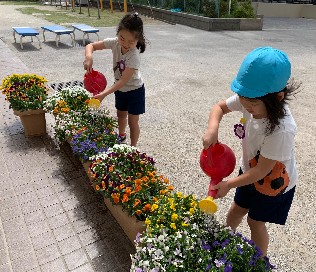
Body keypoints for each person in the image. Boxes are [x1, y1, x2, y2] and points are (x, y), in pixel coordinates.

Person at [202, 47, 300, 256]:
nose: (245, 104)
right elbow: (219, 107)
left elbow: (261, 172)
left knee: (255, 221)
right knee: (236, 210)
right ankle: (223, 240)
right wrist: (213, 129)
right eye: (242, 97)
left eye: (252, 102)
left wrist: (228, 184)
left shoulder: (281, 130)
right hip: (249, 171)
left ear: (278, 97)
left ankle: (258, 262)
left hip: (273, 182)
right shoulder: (251, 97)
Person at [83, 12, 146, 146]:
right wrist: (89, 57)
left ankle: (133, 148)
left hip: (135, 90)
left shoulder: (134, 56)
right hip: (120, 88)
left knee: (133, 121)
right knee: (121, 114)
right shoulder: (115, 43)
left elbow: (124, 81)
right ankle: (121, 135)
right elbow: (90, 46)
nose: (125, 44)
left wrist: (103, 94)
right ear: (118, 33)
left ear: (138, 40)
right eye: (122, 38)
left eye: (131, 41)